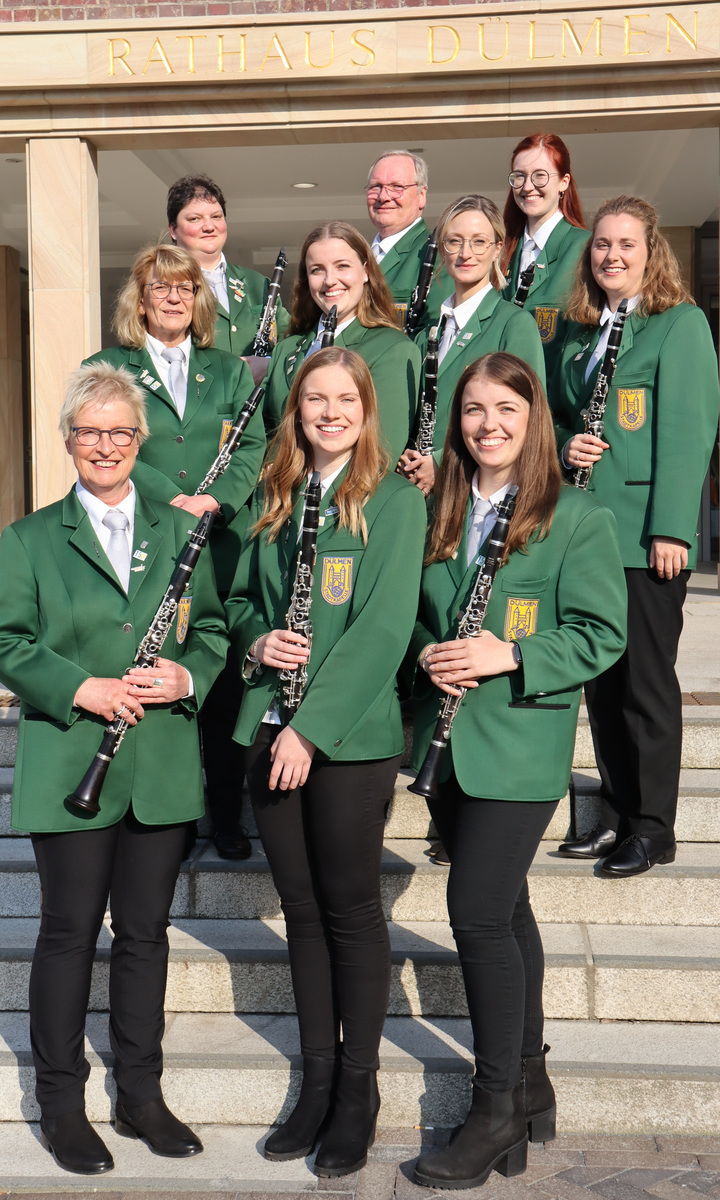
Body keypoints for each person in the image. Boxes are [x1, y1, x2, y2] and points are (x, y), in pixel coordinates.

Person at [0, 362, 228, 1175]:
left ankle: (140, 1095)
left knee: (144, 935)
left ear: (140, 440)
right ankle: (62, 1104)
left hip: (158, 763)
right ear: (69, 440)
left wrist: (186, 676)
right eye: (90, 431)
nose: (105, 445)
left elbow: (213, 631)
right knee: (68, 934)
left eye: (120, 431)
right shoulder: (28, 538)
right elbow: (7, 641)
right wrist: (81, 687)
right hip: (73, 759)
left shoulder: (181, 531)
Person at [409, 353, 626, 1190]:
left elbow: (601, 634)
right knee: (509, 909)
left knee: (474, 914)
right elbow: (415, 614)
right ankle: (532, 1086)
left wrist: (511, 654)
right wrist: (426, 652)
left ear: (533, 420)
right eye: (473, 409)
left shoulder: (577, 516)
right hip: (448, 747)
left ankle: (494, 1106)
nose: (488, 424)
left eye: (506, 408)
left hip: (520, 746)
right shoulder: (439, 506)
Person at [226, 347, 426, 1178]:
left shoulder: (395, 501)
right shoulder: (275, 491)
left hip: (344, 741)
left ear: (367, 409)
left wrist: (308, 731)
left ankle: (357, 1090)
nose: (330, 412)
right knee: (301, 913)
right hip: (267, 726)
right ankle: (315, 1083)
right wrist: (257, 642)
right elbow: (238, 601)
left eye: (345, 398)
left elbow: (383, 630)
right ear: (296, 408)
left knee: (349, 912)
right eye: (315, 398)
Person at [552, 196, 720, 876]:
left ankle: (654, 828)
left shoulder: (678, 323)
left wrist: (673, 529)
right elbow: (552, 415)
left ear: (652, 253)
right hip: (586, 535)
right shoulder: (580, 330)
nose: (611, 255)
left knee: (644, 684)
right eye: (601, 245)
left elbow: (687, 431)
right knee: (601, 685)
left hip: (646, 538)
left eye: (626, 244)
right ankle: (620, 814)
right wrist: (566, 445)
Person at [85, 242, 265, 861]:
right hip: (148, 540)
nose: (173, 297)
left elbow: (252, 447)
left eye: (185, 287)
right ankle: (174, 815)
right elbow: (109, 446)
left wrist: (215, 500)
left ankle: (227, 815)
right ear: (139, 298)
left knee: (222, 684)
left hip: (221, 543)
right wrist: (174, 501)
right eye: (160, 287)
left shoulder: (231, 370)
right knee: (161, 676)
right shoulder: (108, 365)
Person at [399, 196, 545, 497]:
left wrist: (439, 462)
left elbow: (528, 418)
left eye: (479, 242)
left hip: (478, 488)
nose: (465, 253)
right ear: (442, 249)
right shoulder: (427, 333)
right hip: (420, 492)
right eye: (455, 241)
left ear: (497, 248)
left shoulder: (514, 323)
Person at [263, 222, 422, 465]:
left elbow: (382, 453)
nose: (330, 280)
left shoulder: (394, 349)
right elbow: (267, 437)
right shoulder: (286, 349)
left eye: (342, 266)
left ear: (366, 272)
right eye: (317, 270)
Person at [167, 172, 288, 376]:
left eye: (216, 217)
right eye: (195, 218)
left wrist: (268, 364)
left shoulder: (258, 283)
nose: (209, 226)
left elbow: (291, 342)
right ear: (173, 230)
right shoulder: (162, 286)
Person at [501, 134, 589, 380]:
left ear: (563, 182)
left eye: (540, 175)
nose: (527, 186)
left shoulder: (584, 247)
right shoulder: (500, 249)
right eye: (519, 176)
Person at [365, 149, 451, 326]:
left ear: (421, 195)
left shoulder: (438, 255)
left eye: (397, 187)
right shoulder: (356, 257)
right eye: (376, 187)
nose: (383, 196)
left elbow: (435, 329)